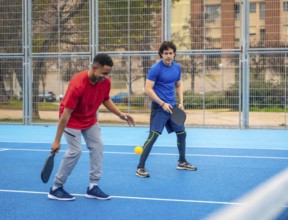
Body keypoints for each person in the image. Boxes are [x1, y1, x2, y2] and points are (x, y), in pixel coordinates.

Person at [48, 53, 135, 201]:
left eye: (108, 73)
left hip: (90, 119)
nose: (106, 77)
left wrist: (120, 114)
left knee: (98, 146)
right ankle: (56, 187)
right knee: (75, 151)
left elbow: (105, 99)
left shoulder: (105, 82)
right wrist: (56, 140)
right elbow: (65, 114)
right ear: (94, 68)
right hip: (71, 120)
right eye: (104, 73)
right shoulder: (77, 84)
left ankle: (93, 187)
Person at [136, 41, 197, 178]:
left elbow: (179, 85)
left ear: (174, 54)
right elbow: (148, 89)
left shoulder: (177, 68)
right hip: (159, 108)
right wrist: (162, 103)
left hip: (173, 108)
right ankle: (140, 168)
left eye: (170, 53)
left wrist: (181, 102)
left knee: (182, 133)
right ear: (161, 55)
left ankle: (182, 162)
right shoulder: (155, 69)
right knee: (152, 137)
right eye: (165, 53)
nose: (168, 56)